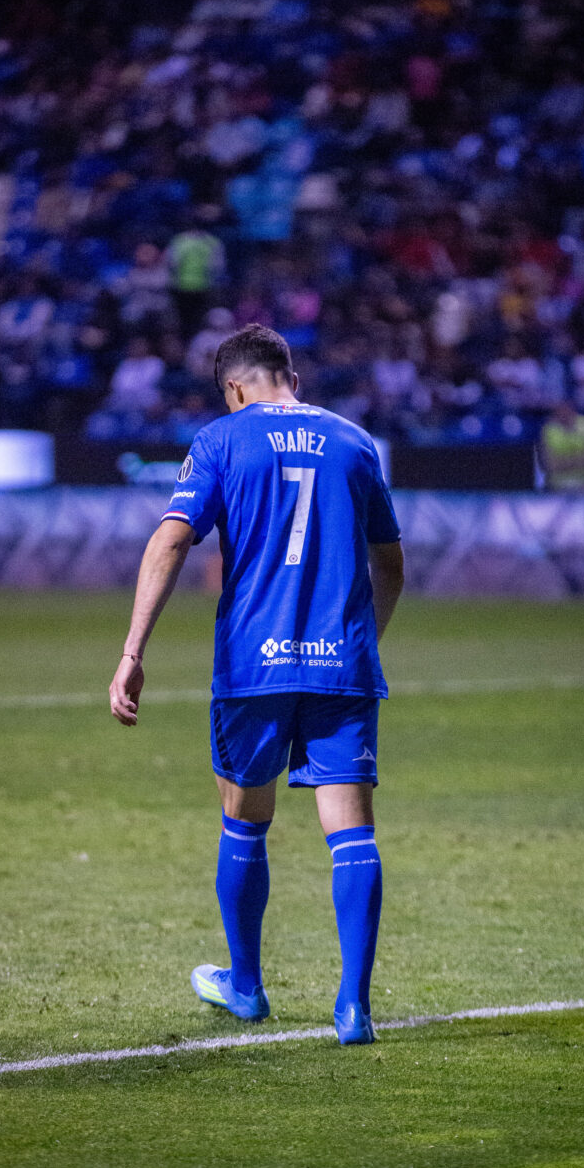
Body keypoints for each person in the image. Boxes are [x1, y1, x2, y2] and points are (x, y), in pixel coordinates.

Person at [110, 324, 404, 1045]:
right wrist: (359, 646)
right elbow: (390, 565)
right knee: (352, 833)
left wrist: (132, 650)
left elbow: (173, 538)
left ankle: (246, 987)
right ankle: (353, 1008)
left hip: (253, 666)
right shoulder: (354, 442)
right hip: (340, 666)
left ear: (235, 388)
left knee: (246, 820)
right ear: (290, 378)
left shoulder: (221, 439)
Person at [539, 399, 584, 490]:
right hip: (559, 482)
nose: (563, 413)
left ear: (573, 409)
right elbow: (549, 464)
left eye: (566, 409)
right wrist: (580, 459)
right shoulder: (549, 430)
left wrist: (563, 461)